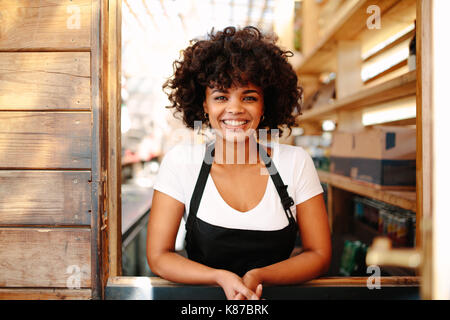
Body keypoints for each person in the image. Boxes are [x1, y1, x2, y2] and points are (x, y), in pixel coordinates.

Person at [147, 26, 331, 300]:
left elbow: (319, 254)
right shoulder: (181, 163)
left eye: (249, 97)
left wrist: (258, 276)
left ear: (265, 105)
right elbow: (159, 256)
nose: (235, 109)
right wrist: (219, 277)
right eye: (221, 96)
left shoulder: (295, 163)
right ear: (204, 104)